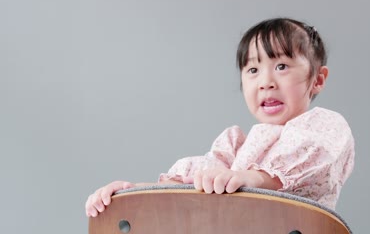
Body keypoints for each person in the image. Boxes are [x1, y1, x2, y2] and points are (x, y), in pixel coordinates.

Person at [85, 17, 355, 217]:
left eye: (281, 66)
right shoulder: (235, 146)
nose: (266, 82)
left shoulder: (324, 127)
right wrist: (130, 192)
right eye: (252, 70)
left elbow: (312, 156)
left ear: (317, 79)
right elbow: (190, 186)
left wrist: (248, 179)